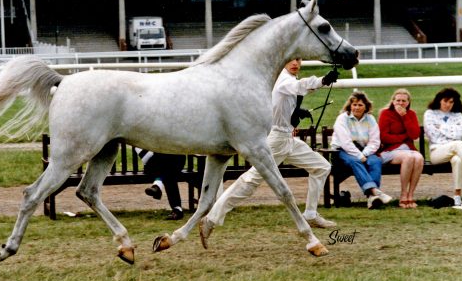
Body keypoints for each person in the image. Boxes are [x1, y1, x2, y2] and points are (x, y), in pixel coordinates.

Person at [199, 58, 339, 244]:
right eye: (291, 59)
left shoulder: (288, 78)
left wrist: (296, 112)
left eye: (298, 59)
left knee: (321, 167)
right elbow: (298, 87)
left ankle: (310, 214)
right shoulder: (283, 79)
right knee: (250, 181)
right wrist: (323, 80)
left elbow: (289, 97)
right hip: (276, 141)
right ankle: (211, 219)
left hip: (288, 139)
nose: (295, 63)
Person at [331, 91, 393, 209]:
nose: (357, 108)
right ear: (350, 106)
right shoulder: (342, 119)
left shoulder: (370, 119)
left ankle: (372, 198)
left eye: (360, 105)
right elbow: (345, 142)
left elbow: (375, 142)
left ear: (366, 107)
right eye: (354, 105)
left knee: (375, 161)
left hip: (364, 150)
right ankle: (375, 191)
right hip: (342, 151)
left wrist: (364, 154)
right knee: (355, 161)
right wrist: (360, 156)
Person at [424, 87, 462, 207]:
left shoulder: (458, 114)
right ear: (439, 100)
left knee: (458, 159)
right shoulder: (430, 113)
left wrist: (441, 127)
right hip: (437, 152)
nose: (448, 104)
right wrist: (451, 131)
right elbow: (433, 135)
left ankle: (457, 197)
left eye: (451, 102)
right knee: (458, 144)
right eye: (445, 101)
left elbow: (460, 132)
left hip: (455, 152)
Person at [378, 89, 424, 208]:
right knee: (409, 157)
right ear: (393, 101)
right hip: (389, 151)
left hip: (408, 149)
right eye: (398, 100)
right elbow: (384, 137)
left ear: (408, 103)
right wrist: (403, 137)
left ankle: (411, 195)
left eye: (404, 101)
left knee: (419, 158)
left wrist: (404, 117)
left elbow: (414, 135)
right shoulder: (385, 113)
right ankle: (403, 194)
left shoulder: (411, 114)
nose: (400, 103)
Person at [136, 148, 186, 220]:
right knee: (168, 173)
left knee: (167, 167)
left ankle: (157, 186)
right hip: (157, 163)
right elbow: (147, 157)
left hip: (174, 160)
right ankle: (177, 209)